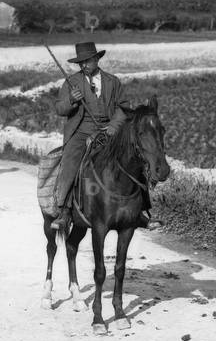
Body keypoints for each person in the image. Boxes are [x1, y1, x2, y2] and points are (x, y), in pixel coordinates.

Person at [49, 41, 151, 231]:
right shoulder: (71, 82)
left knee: (136, 159)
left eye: (87, 61)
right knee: (70, 162)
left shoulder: (113, 81)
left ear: (96, 59)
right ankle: (64, 210)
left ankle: (141, 209)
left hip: (109, 130)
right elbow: (60, 109)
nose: (83, 65)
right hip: (80, 132)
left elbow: (124, 107)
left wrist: (112, 127)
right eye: (81, 63)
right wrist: (72, 99)